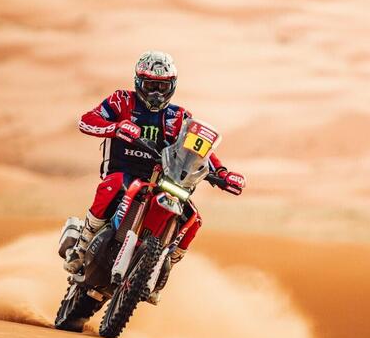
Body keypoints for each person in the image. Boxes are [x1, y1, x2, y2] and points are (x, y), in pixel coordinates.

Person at [63, 50, 245, 280]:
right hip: (123, 171)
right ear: (139, 82)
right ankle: (82, 246)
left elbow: (200, 151)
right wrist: (116, 128)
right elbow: (86, 121)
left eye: (162, 86)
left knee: (193, 218)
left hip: (163, 179)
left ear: (172, 86)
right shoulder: (122, 100)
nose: (156, 93)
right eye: (150, 85)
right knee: (113, 184)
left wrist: (222, 173)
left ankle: (164, 267)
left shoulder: (180, 117)